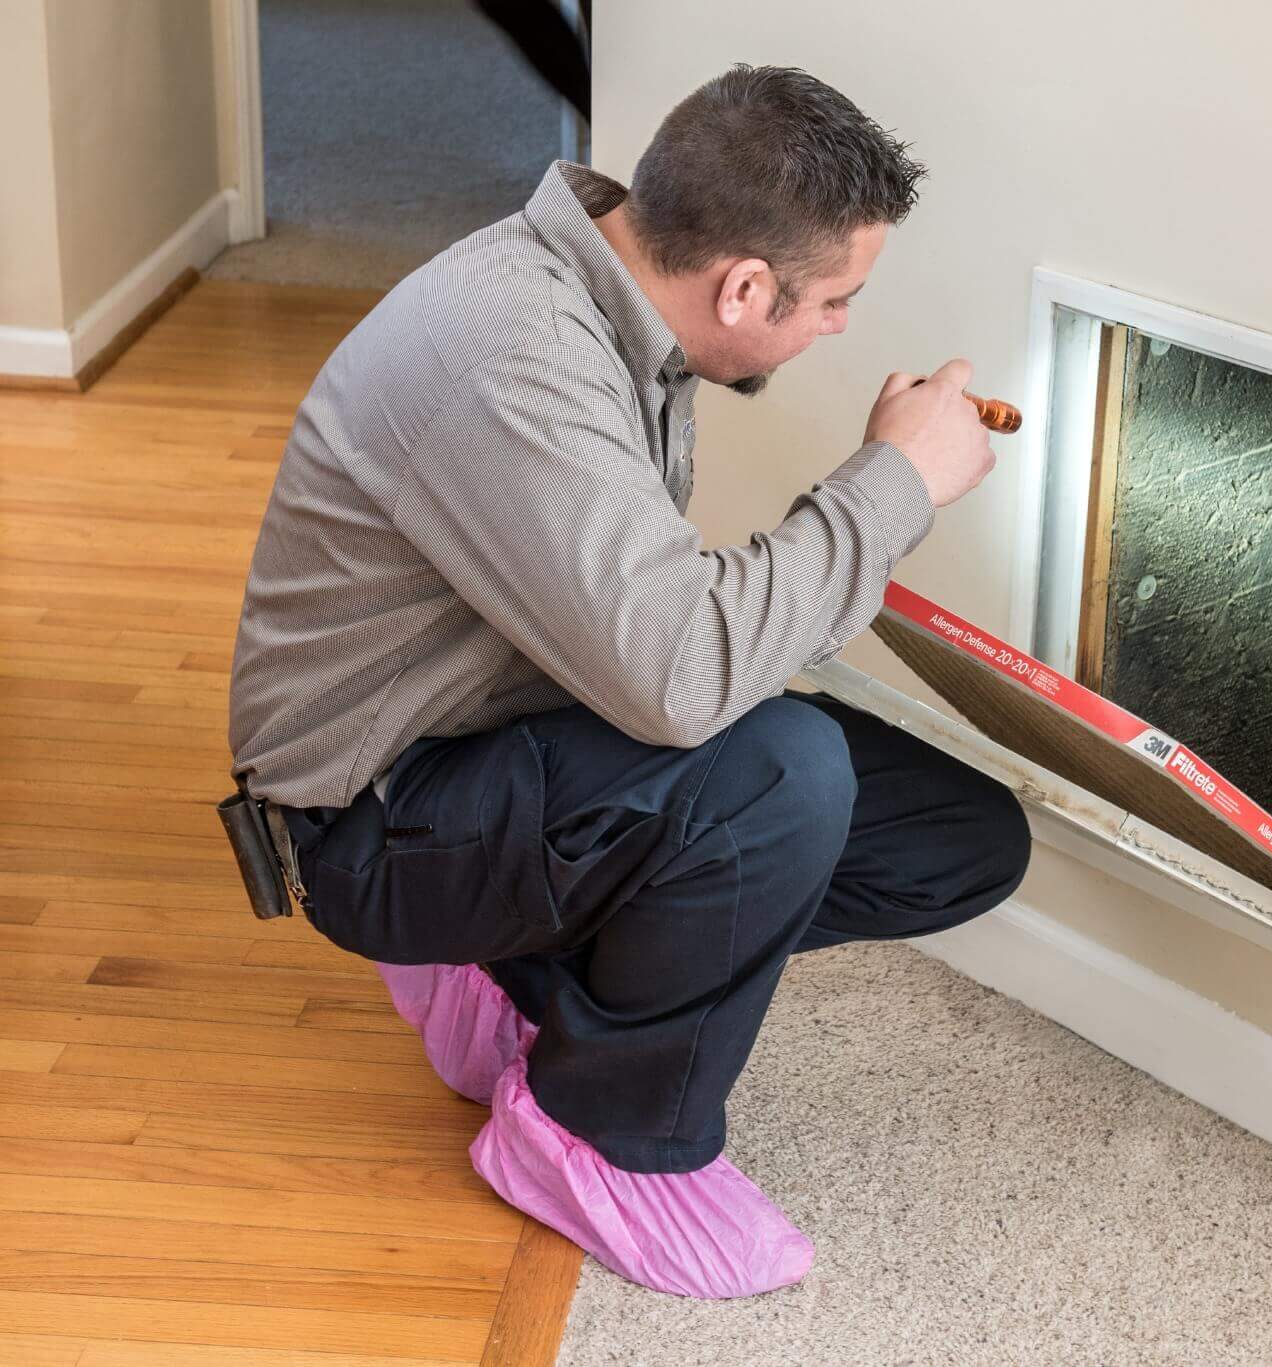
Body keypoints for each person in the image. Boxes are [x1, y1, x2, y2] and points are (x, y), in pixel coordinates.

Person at [226, 64, 1031, 1299]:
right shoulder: (514, 354)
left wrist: (884, 503)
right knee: (780, 773)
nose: (840, 328)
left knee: (956, 839)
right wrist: (892, 485)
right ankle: (596, 1132)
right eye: (833, 301)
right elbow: (681, 676)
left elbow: (660, 638)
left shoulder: (618, 305)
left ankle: (520, 976)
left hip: (513, 738)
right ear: (743, 286)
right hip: (368, 818)